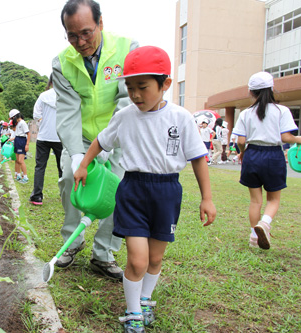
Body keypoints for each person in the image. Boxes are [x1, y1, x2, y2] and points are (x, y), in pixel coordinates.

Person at [73, 46, 216, 333]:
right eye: (129, 87)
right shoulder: (125, 116)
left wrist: (207, 198)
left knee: (155, 258)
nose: (135, 94)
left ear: (165, 84)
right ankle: (133, 311)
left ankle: (146, 299)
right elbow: (100, 141)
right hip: (133, 191)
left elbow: (198, 158)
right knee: (137, 260)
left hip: (167, 192)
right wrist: (83, 165)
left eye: (142, 87)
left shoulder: (181, 117)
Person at [52, 0, 139, 280]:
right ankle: (72, 240)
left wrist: (106, 144)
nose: (81, 41)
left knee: (119, 189)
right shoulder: (62, 62)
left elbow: (128, 101)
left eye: (87, 32)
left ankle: (103, 251)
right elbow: (67, 112)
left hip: (120, 134)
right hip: (81, 135)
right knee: (69, 178)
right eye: (72, 35)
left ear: (101, 23)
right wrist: (79, 154)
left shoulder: (127, 49)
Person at [232, 71, 301, 250]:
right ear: (271, 89)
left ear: (251, 92)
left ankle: (254, 238)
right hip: (273, 156)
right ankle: (265, 223)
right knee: (273, 200)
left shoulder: (246, 113)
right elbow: (286, 137)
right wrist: (299, 139)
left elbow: (240, 140)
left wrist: (242, 152)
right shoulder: (281, 111)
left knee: (255, 201)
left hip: (252, 154)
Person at [29, 74, 63, 206]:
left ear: (51, 81)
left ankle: (37, 196)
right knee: (63, 168)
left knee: (40, 167)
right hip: (60, 137)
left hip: (43, 137)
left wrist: (42, 124)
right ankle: (64, 195)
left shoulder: (43, 96)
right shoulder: (65, 96)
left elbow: (36, 114)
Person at [8, 109, 30, 184]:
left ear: (15, 116)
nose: (11, 120)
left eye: (11, 118)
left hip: (22, 142)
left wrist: (27, 145)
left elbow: (28, 134)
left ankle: (25, 177)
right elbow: (17, 134)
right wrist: (12, 139)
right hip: (17, 140)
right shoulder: (17, 123)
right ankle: (18, 175)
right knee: (17, 160)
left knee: (21, 160)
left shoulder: (23, 123)